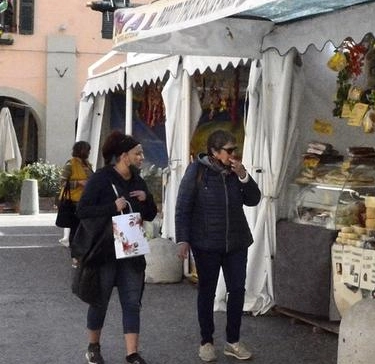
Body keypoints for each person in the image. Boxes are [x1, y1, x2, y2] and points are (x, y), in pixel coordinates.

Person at [175, 130, 261, 362]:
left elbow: (254, 199)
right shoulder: (197, 170)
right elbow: (183, 205)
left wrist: (244, 176)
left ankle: (232, 341)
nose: (234, 155)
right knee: (207, 291)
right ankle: (206, 341)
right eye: (229, 150)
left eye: (236, 150)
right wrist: (182, 239)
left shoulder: (235, 172)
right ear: (214, 152)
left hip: (236, 241)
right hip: (206, 242)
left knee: (237, 290)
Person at [77, 131, 158, 364]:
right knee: (99, 301)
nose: (141, 157)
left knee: (132, 302)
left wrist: (146, 199)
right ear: (124, 156)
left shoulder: (137, 180)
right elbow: (82, 211)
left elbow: (150, 214)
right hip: (105, 251)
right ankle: (93, 347)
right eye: (137, 153)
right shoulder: (101, 178)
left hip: (131, 252)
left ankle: (132, 353)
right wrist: (111, 206)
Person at [60, 141, 95, 246]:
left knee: (84, 227)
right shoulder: (70, 164)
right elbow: (62, 182)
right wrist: (79, 183)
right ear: (80, 150)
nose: (89, 153)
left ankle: (82, 250)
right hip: (73, 201)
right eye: (87, 150)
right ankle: (75, 251)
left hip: (86, 200)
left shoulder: (87, 164)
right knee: (75, 227)